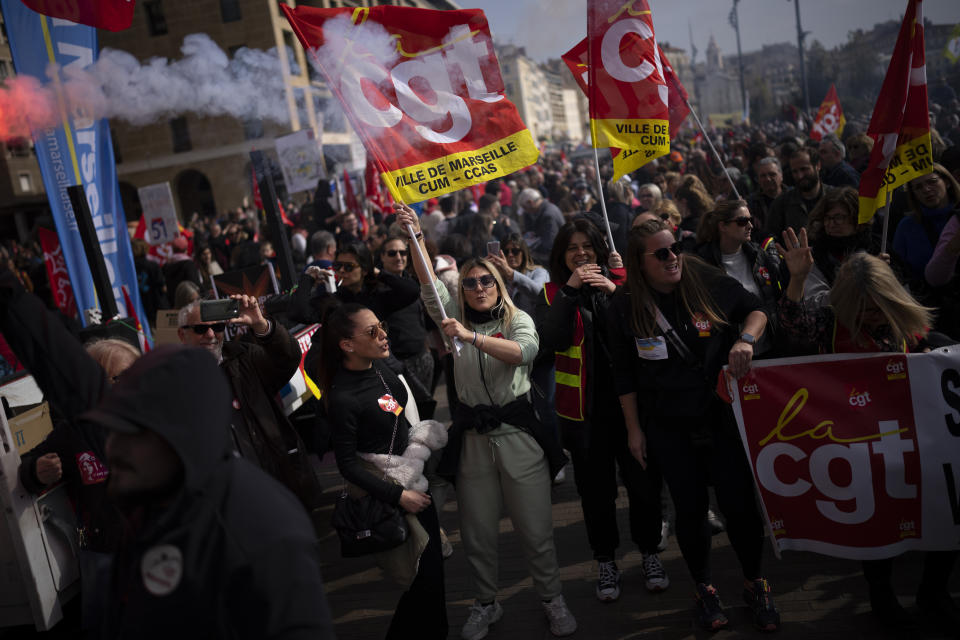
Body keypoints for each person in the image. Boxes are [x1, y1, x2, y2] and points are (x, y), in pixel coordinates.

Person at [396, 203, 576, 640]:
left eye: (486, 281)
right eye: (471, 282)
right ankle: (485, 604)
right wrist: (417, 235)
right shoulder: (451, 320)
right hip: (474, 442)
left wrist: (472, 337)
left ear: (499, 286)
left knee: (535, 531)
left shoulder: (519, 320)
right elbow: (428, 284)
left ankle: (553, 599)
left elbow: (524, 354)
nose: (478, 287)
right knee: (477, 535)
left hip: (518, 438)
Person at [85, 345, 335, 639]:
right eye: (110, 430)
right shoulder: (157, 502)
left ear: (179, 434)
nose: (112, 447)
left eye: (131, 432)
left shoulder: (261, 528)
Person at [775, 234, 958, 632]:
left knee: (942, 508)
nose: (875, 316)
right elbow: (790, 325)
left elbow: (934, 345)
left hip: (915, 435)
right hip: (858, 442)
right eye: (866, 310)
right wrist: (796, 279)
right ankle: (882, 595)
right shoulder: (827, 323)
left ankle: (934, 590)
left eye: (881, 308)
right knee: (879, 521)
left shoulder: (901, 319)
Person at [607, 220, 779, 632]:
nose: (673, 258)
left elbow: (757, 311)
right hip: (667, 423)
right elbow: (624, 375)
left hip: (719, 416)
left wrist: (745, 341)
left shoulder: (702, 277)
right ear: (640, 262)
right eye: (661, 253)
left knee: (739, 507)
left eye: (675, 249)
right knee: (690, 513)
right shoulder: (625, 304)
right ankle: (704, 589)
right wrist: (634, 430)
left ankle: (756, 583)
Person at [536, 218, 668, 603]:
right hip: (584, 416)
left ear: (598, 249)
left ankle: (649, 554)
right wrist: (572, 291)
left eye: (586, 247)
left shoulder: (623, 286)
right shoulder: (552, 293)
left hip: (633, 410)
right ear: (562, 255)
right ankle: (605, 560)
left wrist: (612, 288)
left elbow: (643, 325)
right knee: (596, 496)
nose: (580, 254)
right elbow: (551, 341)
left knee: (644, 488)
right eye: (572, 248)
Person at [318, 303, 448, 639]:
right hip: (390, 496)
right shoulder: (343, 397)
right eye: (372, 331)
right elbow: (346, 465)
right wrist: (399, 495)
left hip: (416, 484)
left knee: (432, 576)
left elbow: (402, 418)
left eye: (382, 325)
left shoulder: (381, 371)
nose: (383, 335)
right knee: (422, 578)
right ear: (347, 345)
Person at [177, 296, 323, 517]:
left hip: (278, 488)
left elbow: (288, 358)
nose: (210, 335)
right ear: (182, 334)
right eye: (200, 329)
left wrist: (261, 324)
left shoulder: (244, 358)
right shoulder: (174, 382)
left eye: (216, 326)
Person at [694, 199, 787, 355]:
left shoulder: (759, 255)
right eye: (742, 221)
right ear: (722, 226)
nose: (750, 225)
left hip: (768, 350)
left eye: (750, 220)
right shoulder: (703, 261)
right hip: (727, 355)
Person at [378, 236, 434, 394]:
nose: (398, 257)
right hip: (396, 362)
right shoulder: (377, 287)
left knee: (425, 409)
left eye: (402, 252)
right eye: (392, 253)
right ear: (382, 256)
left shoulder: (411, 281)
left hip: (422, 357)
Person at [764, 147, 837, 241]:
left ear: (818, 165)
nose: (800, 176)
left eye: (804, 169)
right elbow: (770, 239)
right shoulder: (781, 203)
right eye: (795, 171)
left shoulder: (835, 198)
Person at [518, 188, 565, 265]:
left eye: (525, 208)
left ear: (531, 202)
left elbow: (549, 244)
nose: (526, 211)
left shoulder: (548, 215)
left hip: (554, 260)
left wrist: (530, 247)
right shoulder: (547, 209)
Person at [746, 157, 786, 240]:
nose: (767, 179)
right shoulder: (750, 203)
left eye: (772, 174)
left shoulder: (793, 197)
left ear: (781, 176)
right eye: (763, 176)